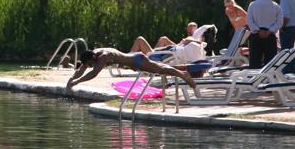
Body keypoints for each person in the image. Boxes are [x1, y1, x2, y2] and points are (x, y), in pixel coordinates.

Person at [65, 48, 197, 91]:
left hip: (138, 60)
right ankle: (182, 72)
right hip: (135, 62)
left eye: (90, 63)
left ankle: (183, 74)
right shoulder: (93, 54)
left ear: (93, 58)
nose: (91, 65)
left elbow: (93, 74)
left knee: (162, 69)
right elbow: (82, 69)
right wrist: (71, 79)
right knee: (161, 69)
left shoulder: (103, 56)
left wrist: (76, 83)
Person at [129, 22, 209, 64]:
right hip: (171, 51)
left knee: (140, 39)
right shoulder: (191, 43)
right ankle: (128, 58)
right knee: (163, 39)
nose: (189, 31)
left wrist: (188, 40)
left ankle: (127, 59)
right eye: (188, 30)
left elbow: (200, 42)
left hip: (168, 53)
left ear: (196, 29)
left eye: (191, 30)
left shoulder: (195, 40)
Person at [245, 0, 283, 69]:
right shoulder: (276, 6)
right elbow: (280, 22)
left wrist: (257, 30)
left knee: (254, 61)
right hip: (270, 36)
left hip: (256, 36)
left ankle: (253, 80)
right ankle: (269, 79)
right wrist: (270, 30)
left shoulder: (253, 4)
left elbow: (249, 20)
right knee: (270, 62)